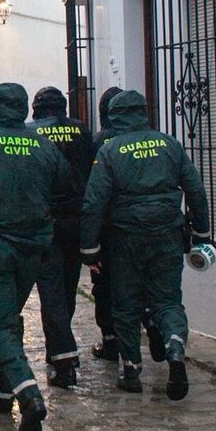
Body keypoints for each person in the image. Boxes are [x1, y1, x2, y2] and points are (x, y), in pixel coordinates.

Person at [0, 83, 81, 431]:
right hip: (33, 249)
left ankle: (27, 392)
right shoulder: (43, 146)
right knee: (7, 319)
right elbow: (68, 190)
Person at [79, 89, 209, 399]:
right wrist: (202, 235)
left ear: (114, 115)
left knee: (126, 302)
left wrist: (89, 247)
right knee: (167, 300)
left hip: (126, 237)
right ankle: (175, 347)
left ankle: (131, 369)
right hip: (167, 234)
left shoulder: (110, 151)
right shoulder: (169, 145)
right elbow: (196, 189)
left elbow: (94, 202)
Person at [29, 85, 96, 389]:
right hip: (76, 221)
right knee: (67, 287)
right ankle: (60, 345)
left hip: (46, 222)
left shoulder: (30, 134)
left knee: (51, 290)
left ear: (36, 108)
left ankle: (63, 355)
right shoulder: (82, 132)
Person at [88, 86, 123, 362]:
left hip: (108, 230)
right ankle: (158, 329)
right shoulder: (160, 140)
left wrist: (88, 243)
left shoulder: (99, 142)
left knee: (104, 285)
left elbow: (92, 194)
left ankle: (111, 340)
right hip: (147, 229)